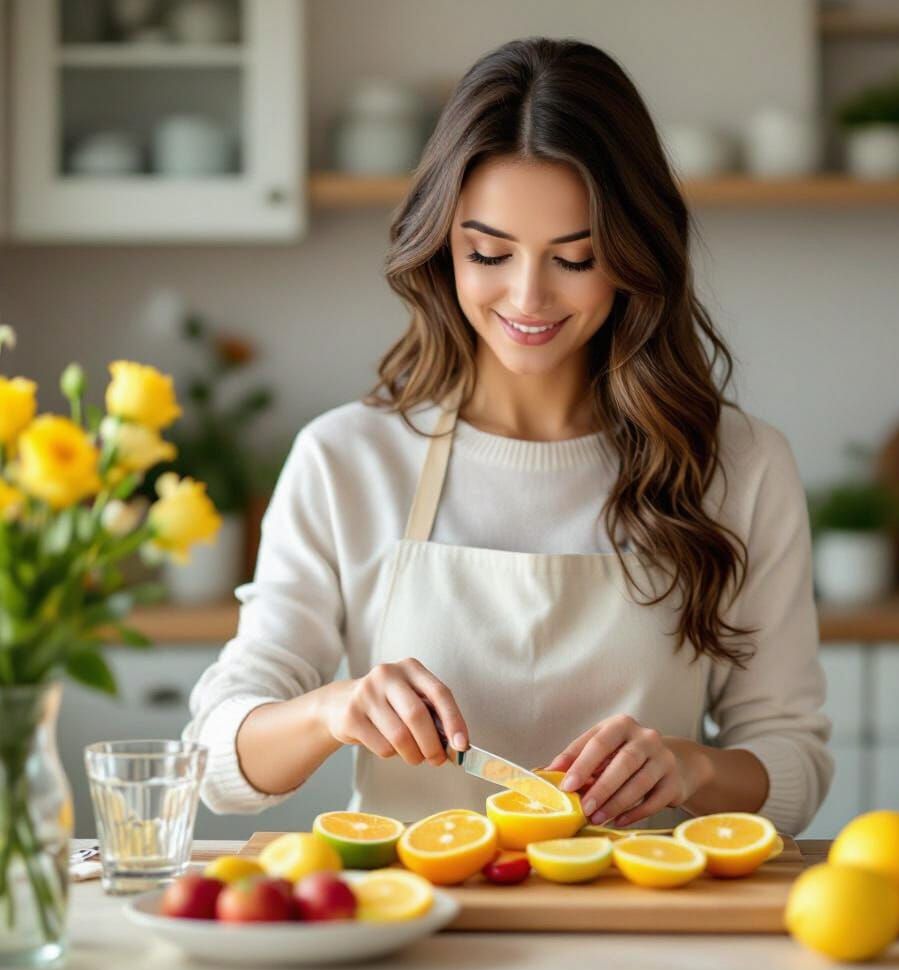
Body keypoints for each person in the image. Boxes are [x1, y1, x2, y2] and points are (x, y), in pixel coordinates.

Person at [184, 37, 833, 835]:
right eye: (488, 252)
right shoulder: (345, 460)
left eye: (576, 257)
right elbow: (218, 761)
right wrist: (334, 710)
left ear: (635, 256)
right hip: (416, 927)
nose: (527, 297)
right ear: (441, 246)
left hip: (651, 931)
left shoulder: (740, 465)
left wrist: (692, 765)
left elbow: (793, 763)